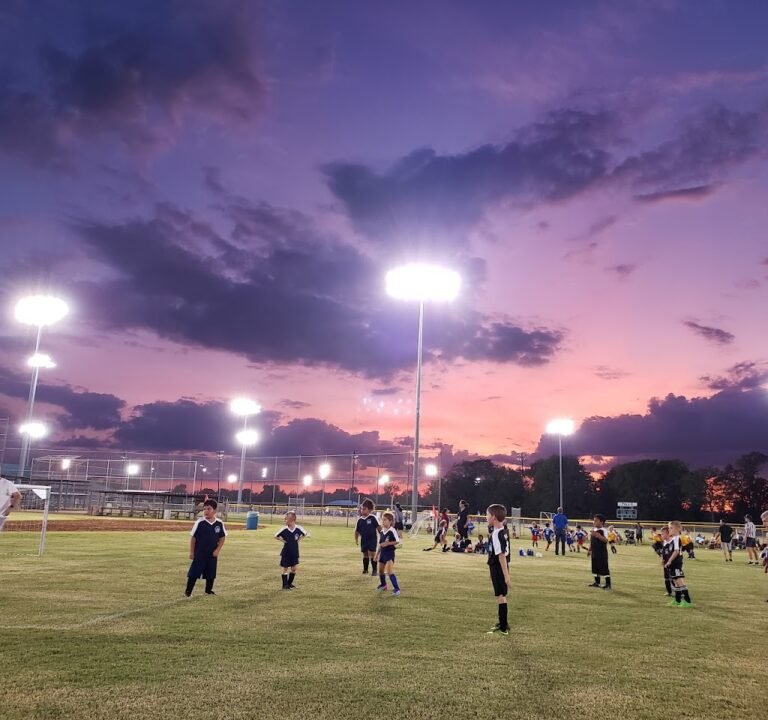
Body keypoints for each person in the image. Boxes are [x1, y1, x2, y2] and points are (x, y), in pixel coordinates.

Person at [185, 499, 226, 597]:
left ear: (215, 511)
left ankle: (208, 590)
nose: (206, 511)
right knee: (194, 573)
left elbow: (222, 537)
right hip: (200, 553)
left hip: (212, 554)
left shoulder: (219, 523)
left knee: (211, 573)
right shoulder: (200, 522)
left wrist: (217, 550)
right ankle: (188, 591)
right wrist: (192, 552)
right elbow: (193, 538)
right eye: (204, 509)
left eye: (209, 509)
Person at [485, 504, 511, 636]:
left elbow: (501, 555)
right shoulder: (503, 531)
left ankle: (503, 627)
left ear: (494, 517)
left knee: (500, 596)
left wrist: (506, 575)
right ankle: (503, 623)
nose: (486, 517)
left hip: (499, 568)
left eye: (488, 515)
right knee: (500, 595)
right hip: (498, 567)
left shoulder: (497, 534)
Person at [275, 511, 307, 590]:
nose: (285, 521)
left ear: (292, 520)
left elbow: (305, 534)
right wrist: (283, 541)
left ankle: (289, 584)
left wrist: (299, 539)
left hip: (294, 552)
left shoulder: (298, 528)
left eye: (286, 519)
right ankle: (284, 586)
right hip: (286, 552)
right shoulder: (284, 529)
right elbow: (275, 536)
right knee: (285, 568)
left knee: (294, 568)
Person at [665, 520, 693, 607]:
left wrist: (669, 560)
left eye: (671, 528)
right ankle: (677, 600)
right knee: (676, 582)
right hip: (673, 564)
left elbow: (676, 551)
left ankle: (687, 601)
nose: (669, 529)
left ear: (678, 529)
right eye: (669, 528)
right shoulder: (673, 539)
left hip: (676, 563)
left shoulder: (677, 538)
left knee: (680, 581)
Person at [375, 511, 401, 596]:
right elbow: (380, 544)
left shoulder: (392, 530)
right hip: (382, 553)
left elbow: (397, 541)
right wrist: (376, 554)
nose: (383, 521)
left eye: (385, 520)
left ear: (390, 521)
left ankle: (397, 589)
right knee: (380, 571)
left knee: (389, 571)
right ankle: (383, 585)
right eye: (382, 520)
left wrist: (387, 543)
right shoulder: (382, 532)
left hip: (389, 553)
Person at [355, 499, 380, 575]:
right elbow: (357, 531)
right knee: (365, 554)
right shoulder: (360, 520)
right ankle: (365, 570)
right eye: (362, 509)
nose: (362, 511)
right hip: (364, 540)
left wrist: (383, 536)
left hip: (372, 539)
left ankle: (374, 570)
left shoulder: (373, 518)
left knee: (372, 554)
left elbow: (379, 528)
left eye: (364, 509)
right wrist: (356, 539)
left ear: (369, 510)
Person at [588, 514, 611, 590]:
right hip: (594, 552)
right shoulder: (593, 530)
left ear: (601, 522)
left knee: (604, 567)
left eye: (596, 520)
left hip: (601, 553)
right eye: (594, 520)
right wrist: (589, 549)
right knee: (595, 567)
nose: (594, 522)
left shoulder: (603, 530)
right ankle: (597, 582)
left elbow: (605, 540)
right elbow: (592, 541)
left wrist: (598, 535)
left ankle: (608, 584)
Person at [659, 526, 673, 597]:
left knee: (673, 578)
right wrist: (662, 559)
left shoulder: (673, 542)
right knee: (666, 578)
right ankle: (669, 591)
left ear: (667, 534)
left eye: (662, 534)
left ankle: (679, 592)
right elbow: (664, 552)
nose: (661, 535)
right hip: (665, 563)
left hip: (672, 563)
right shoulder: (664, 542)